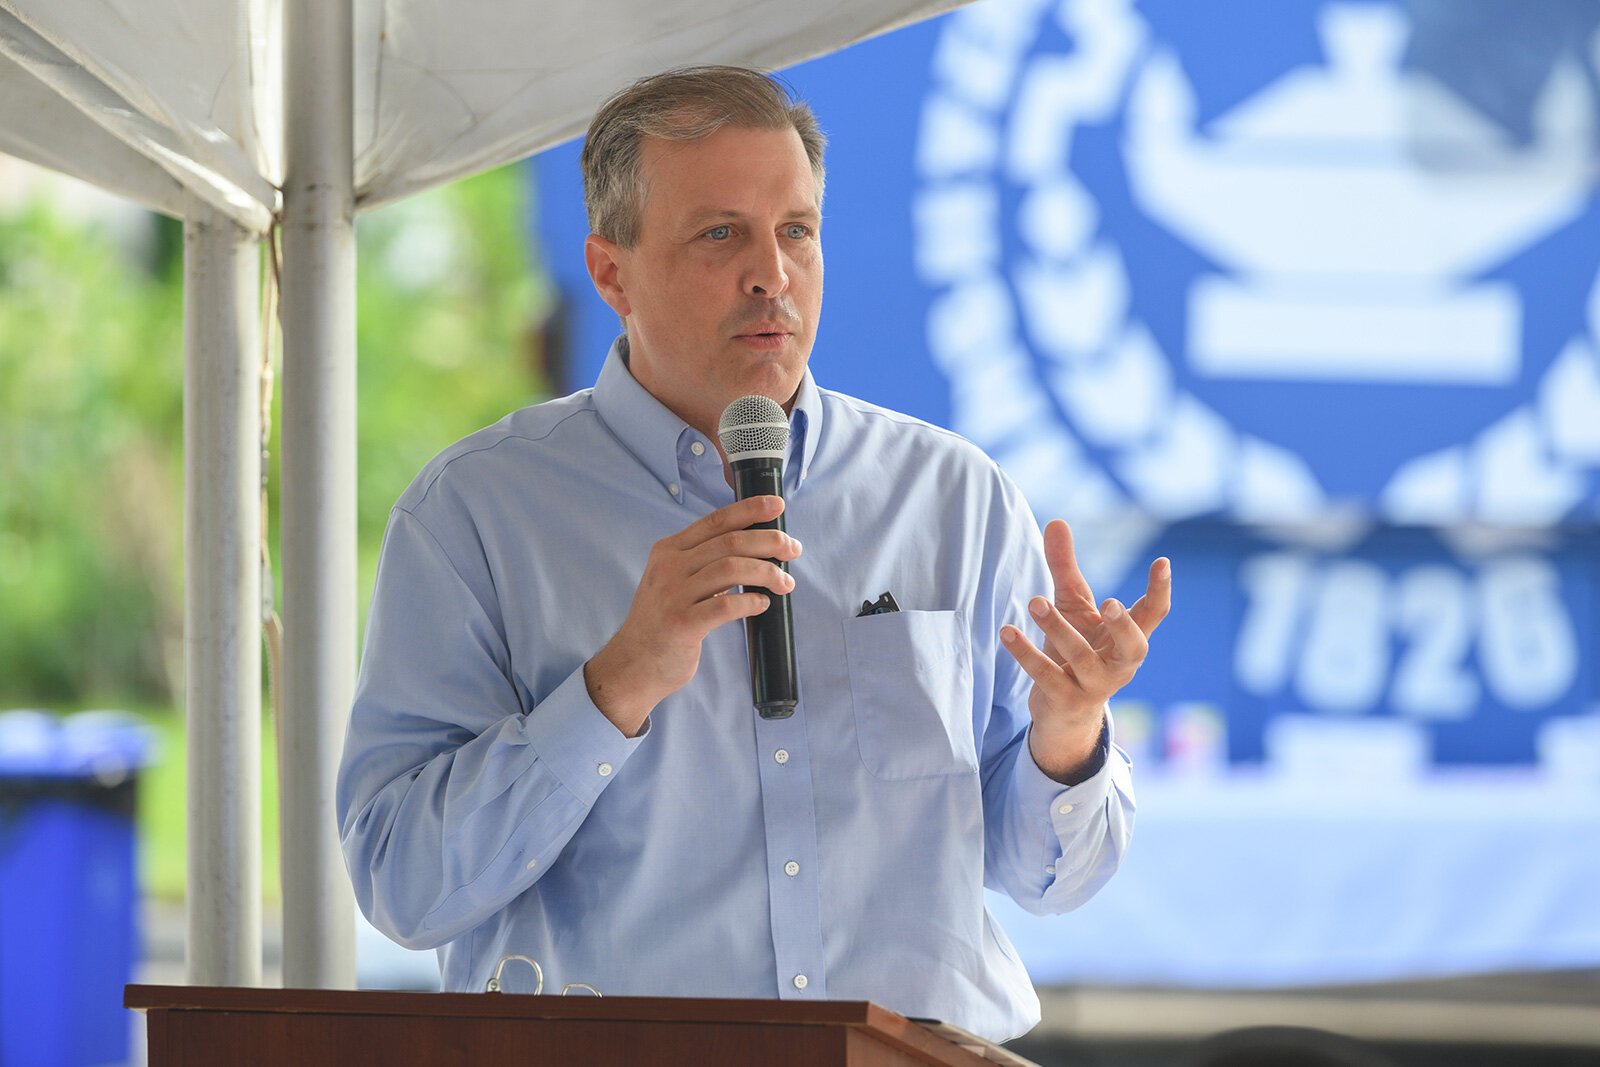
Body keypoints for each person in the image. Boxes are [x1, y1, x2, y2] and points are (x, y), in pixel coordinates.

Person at [337, 65, 1170, 1043]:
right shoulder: (478, 514)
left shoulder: (952, 496)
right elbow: (403, 882)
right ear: (610, 274)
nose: (771, 272)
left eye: (797, 231)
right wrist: (613, 686)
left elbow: (1052, 877)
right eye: (720, 232)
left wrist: (1066, 736)